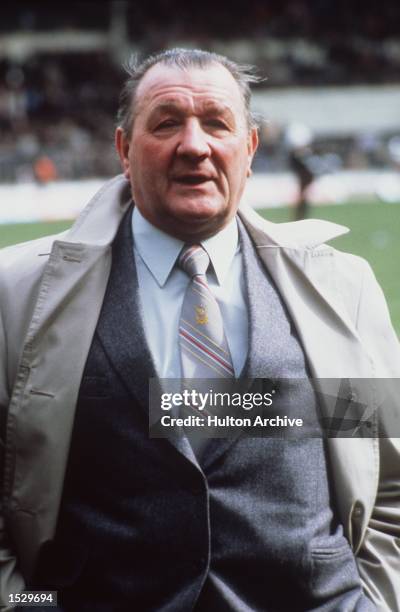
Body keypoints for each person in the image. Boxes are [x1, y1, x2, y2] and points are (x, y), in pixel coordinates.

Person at [0, 48, 399, 612]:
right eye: (167, 123)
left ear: (250, 149)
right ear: (123, 149)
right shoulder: (19, 295)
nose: (195, 145)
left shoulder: (337, 292)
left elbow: (388, 484)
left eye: (217, 123)